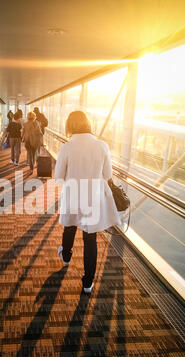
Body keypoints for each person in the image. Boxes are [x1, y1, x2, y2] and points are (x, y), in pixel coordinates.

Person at [54, 111, 120, 294]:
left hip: (74, 193)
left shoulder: (67, 147)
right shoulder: (102, 146)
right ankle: (88, 283)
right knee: (90, 238)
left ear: (70, 126)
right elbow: (107, 175)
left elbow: (58, 176)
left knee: (70, 226)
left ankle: (66, 256)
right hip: (93, 197)